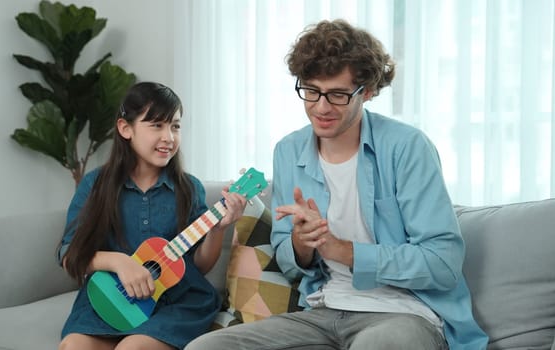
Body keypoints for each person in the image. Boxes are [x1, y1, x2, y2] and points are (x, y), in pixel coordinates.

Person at [186, 19, 488, 350]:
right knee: (205, 347)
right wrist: (303, 244)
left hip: (405, 313)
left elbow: (442, 263)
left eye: (338, 95)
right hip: (323, 310)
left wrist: (342, 249)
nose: (321, 107)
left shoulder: (407, 147)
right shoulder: (289, 152)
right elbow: (289, 262)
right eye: (311, 91)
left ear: (367, 91)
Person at [57, 81, 247, 350]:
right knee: (74, 346)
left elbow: (199, 265)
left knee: (132, 348)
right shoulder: (95, 185)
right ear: (126, 129)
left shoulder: (189, 188)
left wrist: (218, 229)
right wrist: (119, 262)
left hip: (176, 300)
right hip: (114, 298)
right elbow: (69, 256)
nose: (169, 137)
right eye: (157, 125)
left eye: (175, 126)